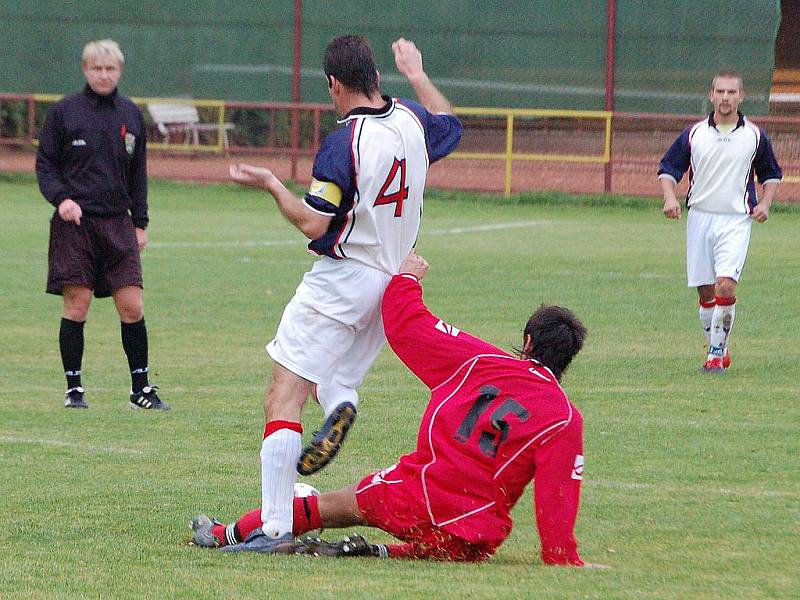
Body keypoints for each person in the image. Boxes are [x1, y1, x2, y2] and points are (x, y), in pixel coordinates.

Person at [189, 251, 602, 566]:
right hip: (471, 535)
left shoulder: (480, 361)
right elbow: (557, 499)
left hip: (412, 496)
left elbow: (407, 324)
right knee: (447, 548)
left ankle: (224, 534)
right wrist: (562, 556)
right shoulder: (565, 419)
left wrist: (406, 277)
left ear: (527, 341)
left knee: (325, 507)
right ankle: (379, 553)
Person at [227, 35, 462, 553]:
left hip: (344, 278)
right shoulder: (411, 121)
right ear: (378, 75)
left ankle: (273, 529)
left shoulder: (344, 143)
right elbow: (451, 124)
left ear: (334, 84)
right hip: (392, 282)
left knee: (282, 395)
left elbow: (314, 220)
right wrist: (419, 73)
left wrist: (271, 184)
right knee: (330, 380)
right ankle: (341, 403)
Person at [35, 39, 168, 410]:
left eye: (110, 69)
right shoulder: (64, 113)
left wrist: (140, 222)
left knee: (133, 306)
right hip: (74, 227)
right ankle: (74, 389)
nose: (103, 75)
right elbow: (45, 165)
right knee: (77, 305)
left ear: (119, 71)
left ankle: (140, 390)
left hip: (118, 225)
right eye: (97, 68)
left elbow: (138, 173)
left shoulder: (130, 114)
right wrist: (62, 200)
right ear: (85, 70)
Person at [658, 70, 782, 373]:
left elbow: (771, 174)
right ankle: (719, 345)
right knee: (705, 290)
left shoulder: (754, 135)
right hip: (699, 217)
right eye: (720, 92)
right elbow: (669, 167)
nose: (725, 97)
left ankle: (715, 355)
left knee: (724, 285)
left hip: (736, 220)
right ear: (711, 95)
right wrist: (670, 197)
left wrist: (765, 203)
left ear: (741, 97)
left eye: (731, 92)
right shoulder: (694, 134)